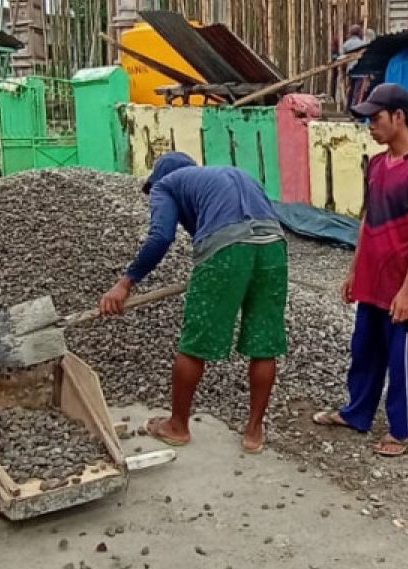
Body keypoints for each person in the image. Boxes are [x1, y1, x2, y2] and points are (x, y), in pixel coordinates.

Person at [99, 153, 288, 453]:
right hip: (273, 247)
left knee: (195, 342)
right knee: (264, 341)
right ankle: (254, 432)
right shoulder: (229, 174)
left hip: (226, 251)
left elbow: (161, 237)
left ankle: (177, 426)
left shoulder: (166, 185)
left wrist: (125, 283)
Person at [312, 84, 408, 457]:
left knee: (402, 361)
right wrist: (356, 271)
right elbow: (368, 220)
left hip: (403, 288)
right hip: (372, 281)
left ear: (399, 117)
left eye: (376, 117)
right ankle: (357, 413)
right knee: (364, 352)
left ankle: (402, 432)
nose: (370, 125)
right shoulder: (376, 164)